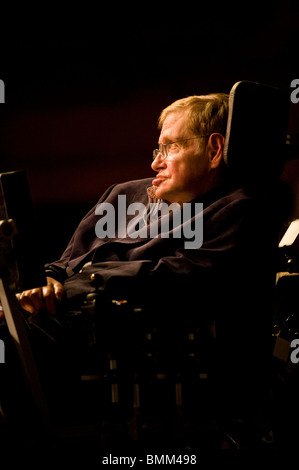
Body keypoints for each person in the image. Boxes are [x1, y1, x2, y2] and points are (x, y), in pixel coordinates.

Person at [4, 92, 281, 446]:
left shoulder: (239, 209)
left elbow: (183, 276)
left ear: (214, 151)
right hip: (45, 321)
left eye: (170, 148)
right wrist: (46, 283)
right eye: (157, 150)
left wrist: (68, 291)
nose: (155, 164)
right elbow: (62, 264)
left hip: (108, 346)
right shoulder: (123, 196)